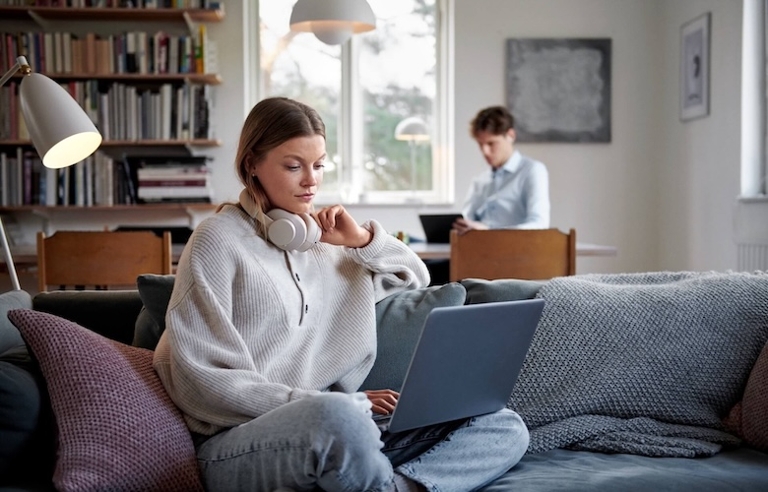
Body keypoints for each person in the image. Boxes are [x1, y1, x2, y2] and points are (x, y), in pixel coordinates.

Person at [153, 97, 529, 492]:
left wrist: (363, 239)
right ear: (252, 164)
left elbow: (417, 279)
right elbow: (202, 383)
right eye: (293, 166)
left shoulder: (330, 244)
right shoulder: (217, 240)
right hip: (239, 441)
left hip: (346, 428)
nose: (311, 181)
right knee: (336, 418)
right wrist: (337, 405)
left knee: (502, 423)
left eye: (318, 165)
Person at [453, 105, 550, 235]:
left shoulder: (532, 171)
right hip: (477, 250)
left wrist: (489, 232)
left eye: (491, 143)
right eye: (480, 144)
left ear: (510, 135)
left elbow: (539, 224)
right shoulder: (481, 179)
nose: (485, 152)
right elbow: (467, 220)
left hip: (515, 251)